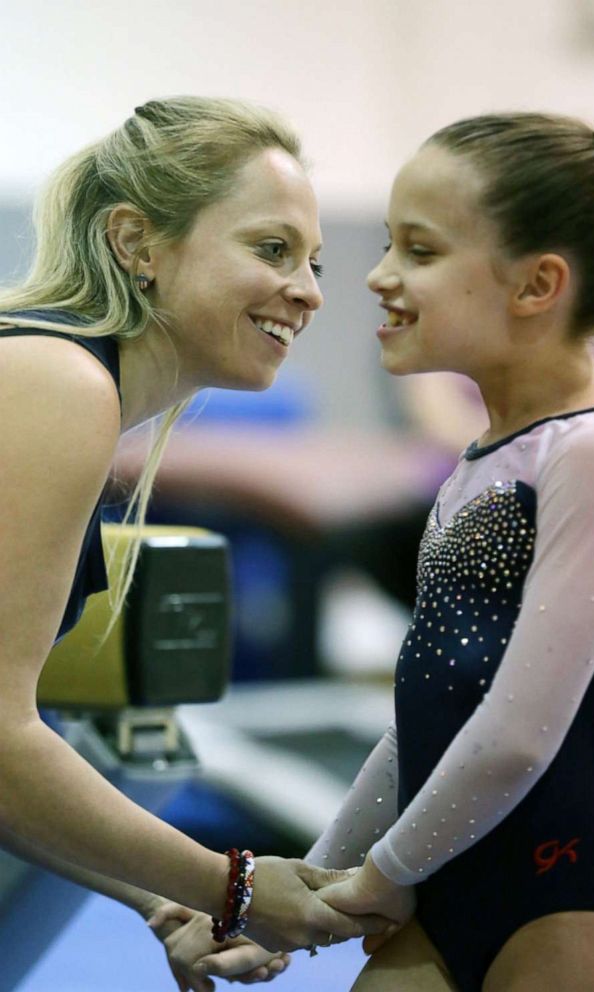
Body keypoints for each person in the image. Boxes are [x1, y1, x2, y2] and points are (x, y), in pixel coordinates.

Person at [158, 95, 594, 989]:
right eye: (389, 242)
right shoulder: (481, 459)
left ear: (537, 285)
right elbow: (423, 722)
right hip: (442, 895)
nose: (378, 275)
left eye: (420, 251)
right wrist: (309, 893)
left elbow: (516, 734)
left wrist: (376, 882)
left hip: (565, 905)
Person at [0, 95, 398, 991]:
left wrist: (162, 898)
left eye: (314, 260)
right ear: (137, 243)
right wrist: (236, 887)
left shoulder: (67, 382)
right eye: (271, 250)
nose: (309, 289)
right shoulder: (58, 381)